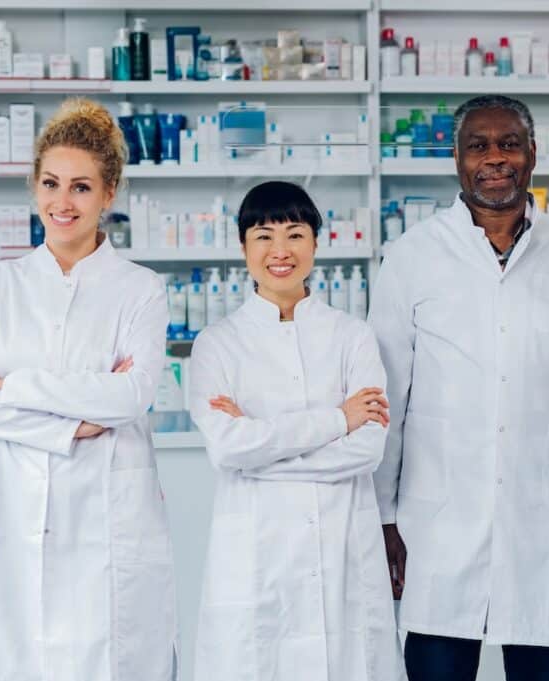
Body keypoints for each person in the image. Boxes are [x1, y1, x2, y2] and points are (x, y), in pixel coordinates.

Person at [369, 94, 549, 681]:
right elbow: (387, 399)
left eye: (509, 144)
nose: (495, 158)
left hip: (546, 522)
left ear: (532, 154)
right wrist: (383, 516)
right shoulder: (412, 257)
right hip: (437, 527)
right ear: (455, 158)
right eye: (479, 145)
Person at [0, 98, 176, 680]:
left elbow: (131, 397)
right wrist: (72, 425)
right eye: (50, 184)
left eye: (80, 187)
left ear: (109, 193)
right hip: (10, 509)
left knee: (106, 658)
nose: (62, 203)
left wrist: (15, 384)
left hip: (106, 520)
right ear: (34, 186)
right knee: (5, 655)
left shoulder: (140, 290)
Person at [188, 181, 402, 681]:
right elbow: (229, 448)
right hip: (257, 557)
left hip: (342, 546)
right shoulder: (217, 345)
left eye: (295, 234)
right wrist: (337, 420)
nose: (280, 251)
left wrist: (264, 447)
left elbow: (367, 449)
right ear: (243, 247)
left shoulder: (353, 336)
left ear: (316, 243)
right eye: (264, 236)